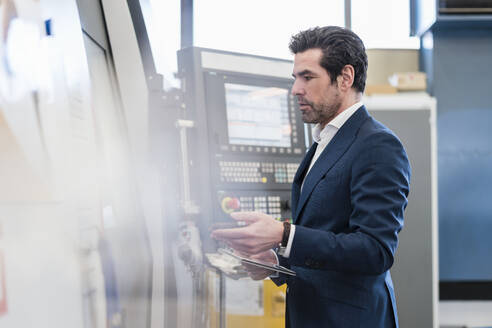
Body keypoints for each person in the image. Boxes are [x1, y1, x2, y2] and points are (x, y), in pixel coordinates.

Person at [211, 26, 410, 328]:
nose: (296, 90)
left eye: (308, 77)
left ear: (345, 77)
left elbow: (374, 251)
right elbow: (323, 234)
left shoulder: (377, 145)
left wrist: (284, 235)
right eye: (295, 78)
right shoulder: (324, 141)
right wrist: (276, 265)